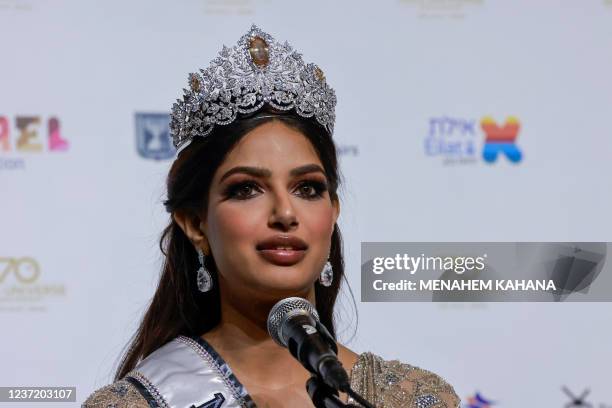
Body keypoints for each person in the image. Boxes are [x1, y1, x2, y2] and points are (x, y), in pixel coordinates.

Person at [83, 25, 460, 408]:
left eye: (308, 188)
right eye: (246, 189)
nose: (284, 213)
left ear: (333, 213)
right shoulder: (139, 402)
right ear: (196, 224)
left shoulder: (410, 397)